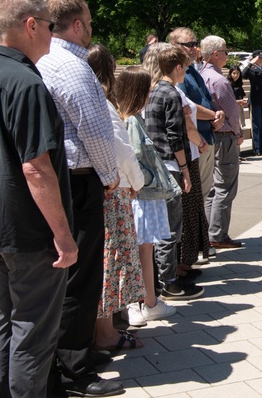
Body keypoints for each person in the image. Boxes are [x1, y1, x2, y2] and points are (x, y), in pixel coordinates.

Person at [0, 0, 96, 398]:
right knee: (34, 331)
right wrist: (64, 234)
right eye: (49, 24)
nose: (55, 33)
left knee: (7, 322)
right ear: (31, 25)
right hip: (29, 229)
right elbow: (36, 168)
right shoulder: (26, 83)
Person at [35, 0, 124, 398]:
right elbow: (94, 129)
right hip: (79, 179)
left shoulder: (46, 59)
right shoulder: (71, 65)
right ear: (76, 25)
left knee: (70, 276)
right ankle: (75, 365)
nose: (92, 27)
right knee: (81, 277)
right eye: (89, 20)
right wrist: (109, 175)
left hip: (63, 177)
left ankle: (70, 356)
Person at [85, 44, 146, 352]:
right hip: (112, 193)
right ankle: (105, 332)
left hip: (92, 191)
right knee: (111, 262)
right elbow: (121, 150)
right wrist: (138, 181)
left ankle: (104, 328)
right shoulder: (100, 102)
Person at [117, 65, 178, 325]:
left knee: (143, 249)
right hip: (140, 196)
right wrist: (144, 181)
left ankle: (148, 301)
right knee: (137, 250)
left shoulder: (133, 119)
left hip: (143, 194)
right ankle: (138, 303)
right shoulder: (131, 121)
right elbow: (134, 158)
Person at [144, 45, 200, 300]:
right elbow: (175, 137)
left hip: (155, 165)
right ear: (177, 67)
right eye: (185, 68)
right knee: (169, 227)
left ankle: (162, 279)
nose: (186, 72)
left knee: (161, 225)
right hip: (169, 165)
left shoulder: (155, 90)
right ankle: (169, 282)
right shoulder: (172, 94)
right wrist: (185, 169)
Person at [169, 28, 224, 218]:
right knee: (192, 197)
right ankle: (192, 244)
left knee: (203, 194)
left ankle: (200, 241)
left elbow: (204, 99)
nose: (194, 48)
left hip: (206, 137)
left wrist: (216, 117)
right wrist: (212, 115)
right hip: (195, 142)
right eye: (189, 45)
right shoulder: (178, 71)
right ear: (174, 46)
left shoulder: (193, 69)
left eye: (195, 44)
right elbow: (187, 107)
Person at [199, 35, 245, 249]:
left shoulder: (201, 75)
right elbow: (232, 113)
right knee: (226, 187)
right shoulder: (219, 81)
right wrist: (238, 133)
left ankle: (209, 232)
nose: (228, 55)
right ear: (215, 54)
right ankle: (217, 234)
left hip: (209, 135)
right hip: (224, 137)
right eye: (226, 51)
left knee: (212, 188)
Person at [246, 51, 262, 155]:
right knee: (256, 125)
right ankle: (256, 148)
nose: (261, 60)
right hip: (256, 100)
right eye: (259, 58)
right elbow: (243, 75)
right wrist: (250, 63)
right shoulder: (252, 69)